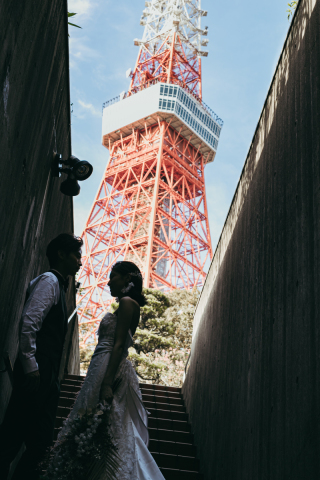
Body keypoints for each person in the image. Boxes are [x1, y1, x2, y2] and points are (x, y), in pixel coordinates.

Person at [51, 260, 166, 480]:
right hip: (102, 363)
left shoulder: (126, 302)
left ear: (127, 279)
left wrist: (106, 382)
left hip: (106, 366)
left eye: (114, 275)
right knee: (98, 421)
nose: (108, 280)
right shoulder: (130, 304)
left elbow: (119, 344)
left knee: (92, 416)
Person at [0, 233, 83, 480]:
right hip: (36, 373)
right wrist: (31, 366)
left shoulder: (58, 285)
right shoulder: (49, 281)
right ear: (61, 254)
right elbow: (29, 322)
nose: (80, 261)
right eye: (76, 255)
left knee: (40, 446)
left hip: (47, 377)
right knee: (11, 438)